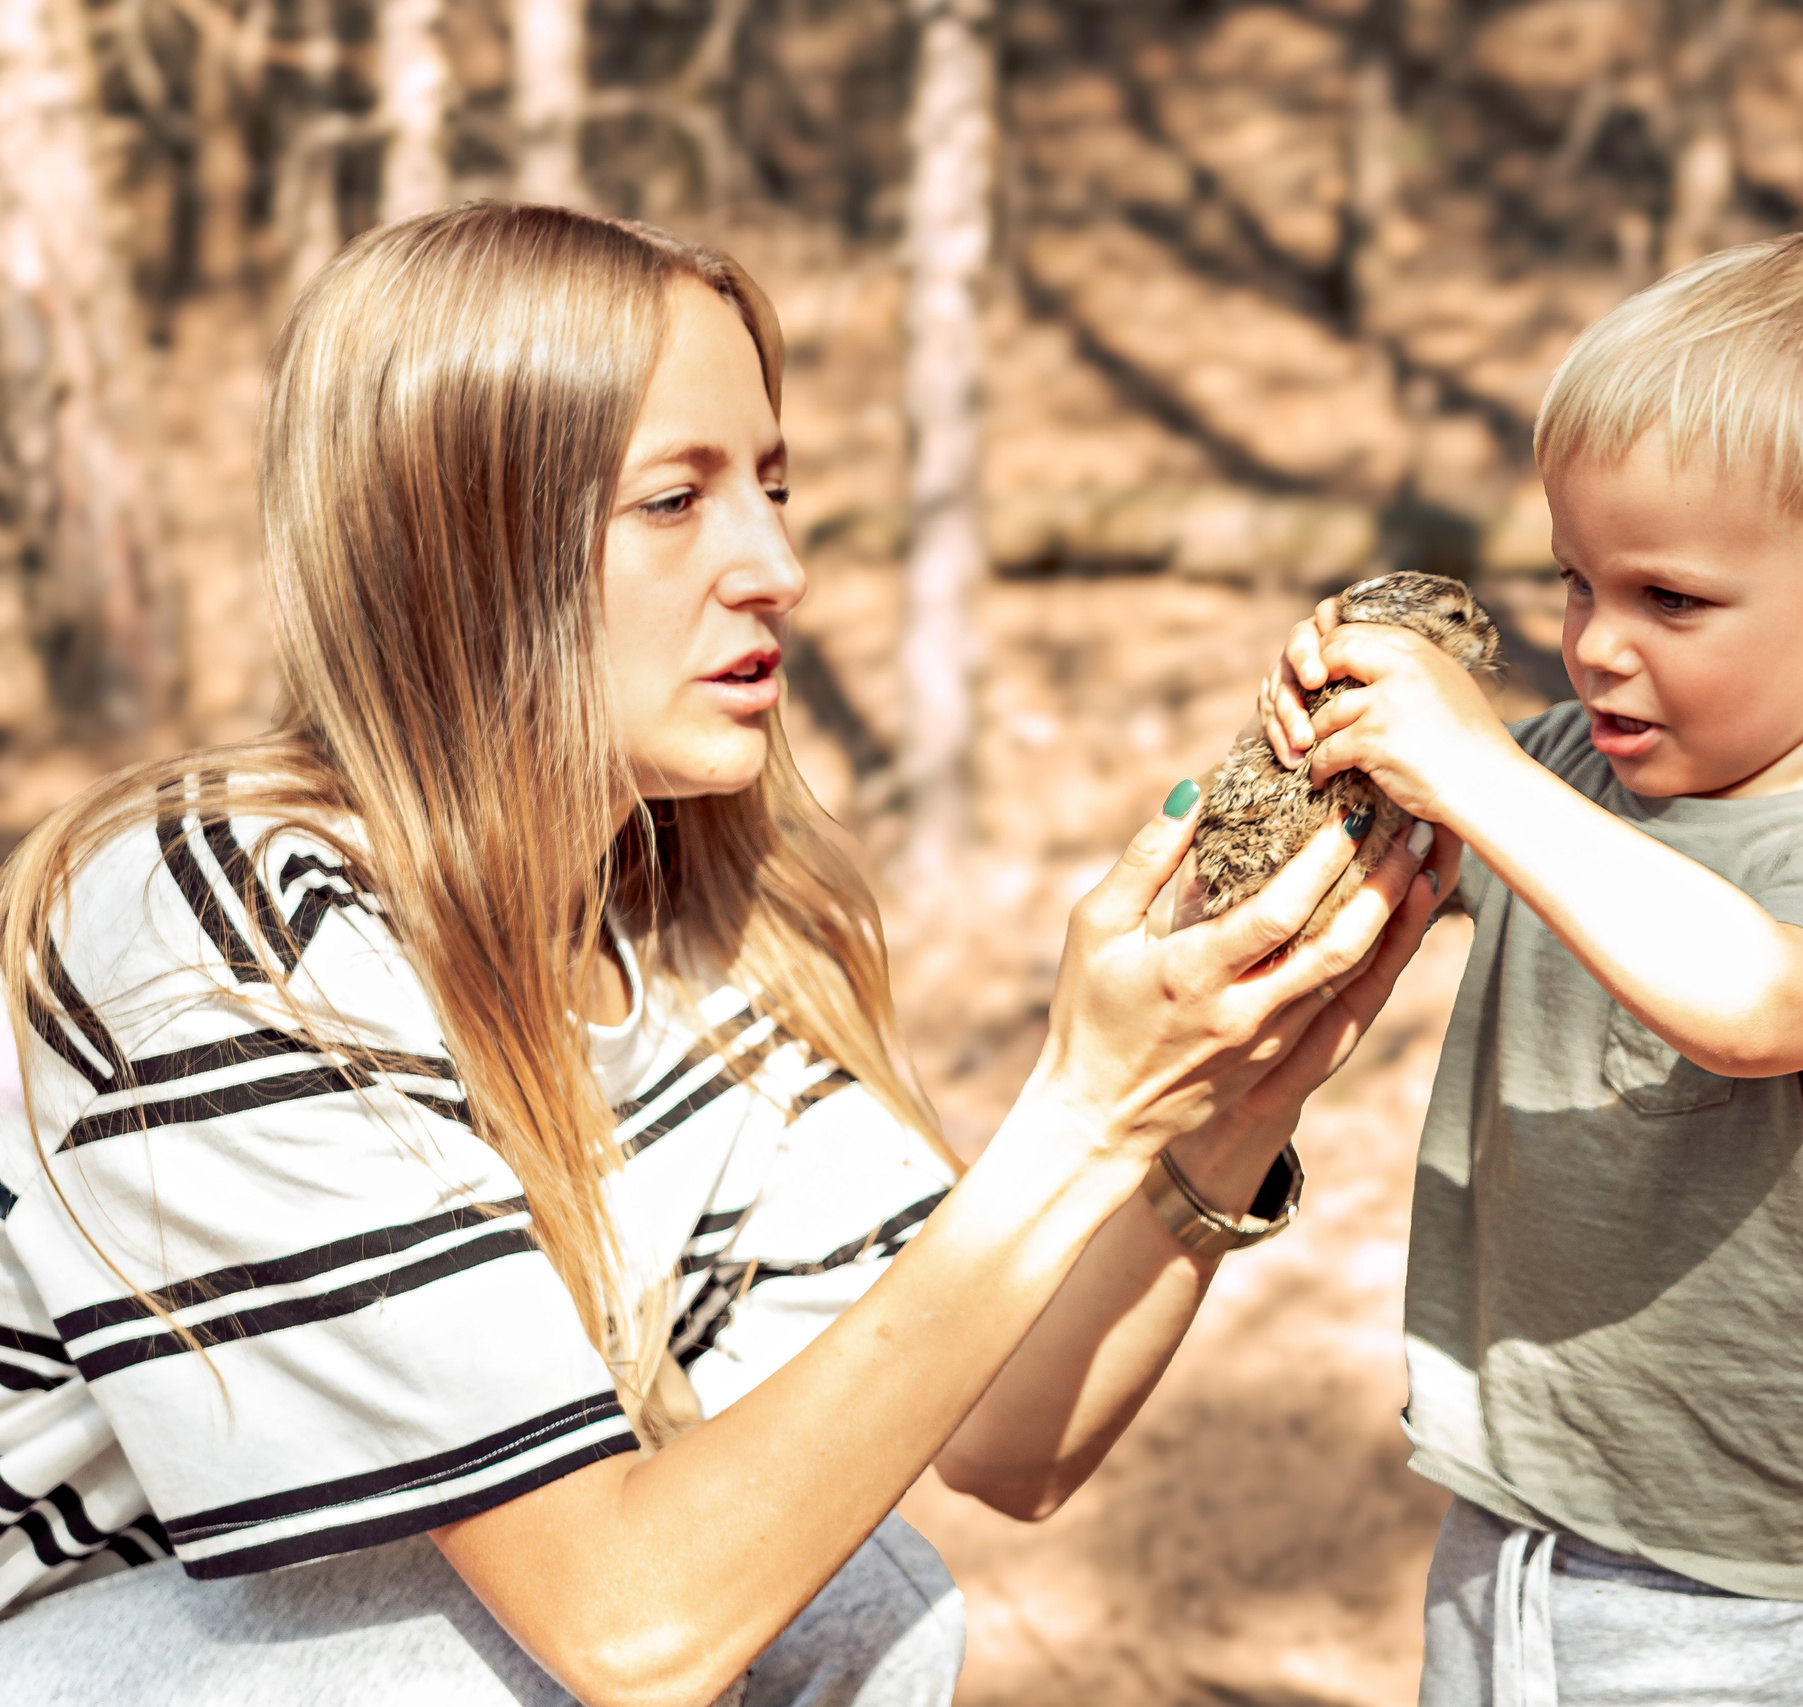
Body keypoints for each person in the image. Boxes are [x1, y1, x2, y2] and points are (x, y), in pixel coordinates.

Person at [0, 202, 1455, 1706]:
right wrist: (1079, 1112)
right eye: (674, 501)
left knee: (866, 1603)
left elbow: (1008, 1438)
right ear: (462, 547)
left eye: (772, 484)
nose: (777, 568)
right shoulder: (224, 912)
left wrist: (1227, 1098)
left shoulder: (693, 926)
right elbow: (631, 1630)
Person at [1258, 232, 1803, 1706]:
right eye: (1574, 583)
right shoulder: (1566, 777)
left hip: (1752, 1587)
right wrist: (1330, 718)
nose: (1598, 646)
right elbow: (1387, 842)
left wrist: (1477, 771)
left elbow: (1751, 1005)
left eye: (1671, 602)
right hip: (1514, 1525)